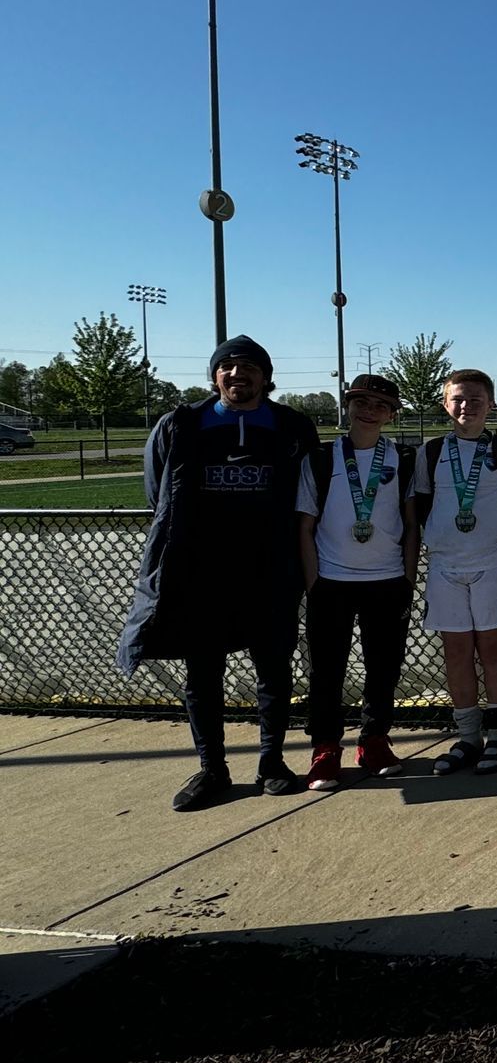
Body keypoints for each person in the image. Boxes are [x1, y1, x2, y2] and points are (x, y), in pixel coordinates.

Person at [118, 336, 322, 811]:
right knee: (202, 673)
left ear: (265, 377)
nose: (237, 374)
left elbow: (313, 492)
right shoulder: (182, 424)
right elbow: (158, 494)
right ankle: (213, 768)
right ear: (214, 376)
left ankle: (272, 762)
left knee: (273, 670)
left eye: (248, 366)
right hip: (200, 573)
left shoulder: (291, 426)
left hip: (271, 570)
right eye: (227, 366)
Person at [415, 369, 497, 776]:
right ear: (445, 404)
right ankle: (467, 737)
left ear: (491, 404)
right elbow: (420, 505)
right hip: (445, 568)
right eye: (457, 399)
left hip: (493, 567)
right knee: (456, 653)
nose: (465, 406)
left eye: (474, 399)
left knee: (492, 651)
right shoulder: (430, 452)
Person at [295, 373, 418, 789]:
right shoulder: (320, 458)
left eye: (380, 406)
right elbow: (306, 525)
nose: (369, 411)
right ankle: (325, 748)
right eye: (361, 402)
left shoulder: (403, 458)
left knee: (384, 668)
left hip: (387, 581)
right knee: (326, 671)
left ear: (391, 414)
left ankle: (375, 739)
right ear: (347, 406)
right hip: (332, 581)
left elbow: (410, 523)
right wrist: (315, 582)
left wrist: (406, 576)